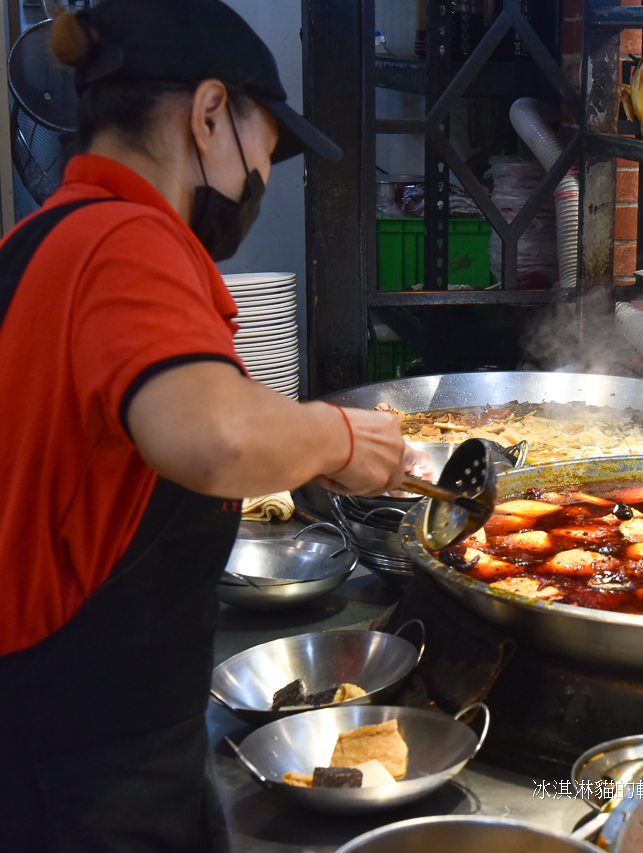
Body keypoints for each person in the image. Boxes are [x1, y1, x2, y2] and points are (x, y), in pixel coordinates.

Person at [0, 1, 425, 847]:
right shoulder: (128, 240)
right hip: (86, 770)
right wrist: (344, 439)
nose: (264, 180)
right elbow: (215, 435)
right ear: (207, 115)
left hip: (53, 731)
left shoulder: (37, 239)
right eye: (267, 147)